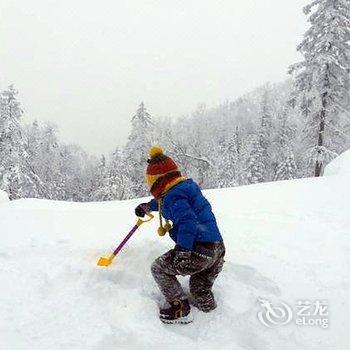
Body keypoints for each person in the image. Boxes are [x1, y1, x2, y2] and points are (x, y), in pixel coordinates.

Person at [135, 146, 225, 324]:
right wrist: (147, 206)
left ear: (155, 182)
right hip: (217, 249)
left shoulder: (173, 196)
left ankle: (180, 308)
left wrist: (183, 251)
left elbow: (187, 221)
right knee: (199, 287)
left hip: (198, 250)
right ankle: (211, 315)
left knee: (158, 268)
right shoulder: (185, 188)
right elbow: (165, 203)